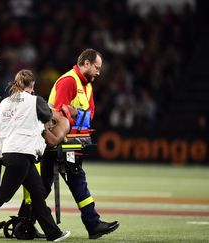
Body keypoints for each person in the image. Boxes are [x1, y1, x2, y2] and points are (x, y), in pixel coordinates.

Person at [0, 69, 71, 242]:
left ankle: (53, 233)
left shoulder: (5, 102)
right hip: (21, 153)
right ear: (33, 85)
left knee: (38, 193)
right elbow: (48, 116)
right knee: (3, 195)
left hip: (10, 151)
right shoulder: (35, 100)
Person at [44, 48, 120, 239]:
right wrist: (74, 116)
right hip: (58, 142)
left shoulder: (86, 85)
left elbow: (90, 114)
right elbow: (58, 115)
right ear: (86, 63)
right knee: (73, 180)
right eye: (96, 67)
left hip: (70, 141)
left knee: (44, 185)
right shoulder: (69, 81)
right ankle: (93, 224)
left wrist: (77, 116)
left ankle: (24, 220)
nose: (98, 72)